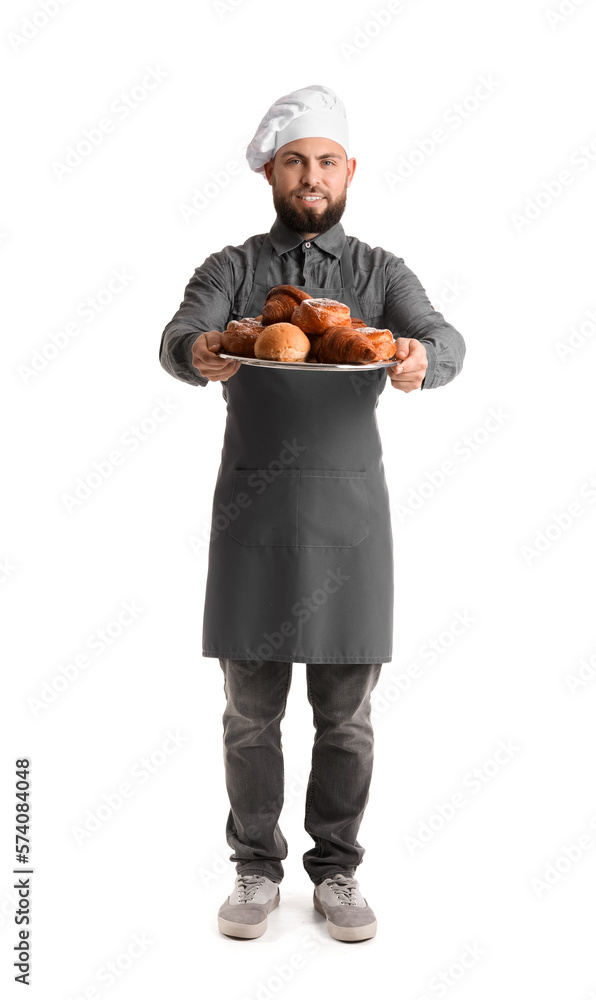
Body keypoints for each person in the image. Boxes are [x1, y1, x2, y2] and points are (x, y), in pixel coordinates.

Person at [159, 84, 466, 942]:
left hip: (350, 518)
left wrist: (415, 357)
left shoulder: (377, 273)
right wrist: (198, 350)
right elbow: (177, 335)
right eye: (295, 160)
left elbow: (445, 338)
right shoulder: (233, 270)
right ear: (269, 171)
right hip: (254, 513)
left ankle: (335, 873)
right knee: (248, 712)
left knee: (347, 718)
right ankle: (254, 870)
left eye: (326, 160)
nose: (311, 176)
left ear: (349, 170)